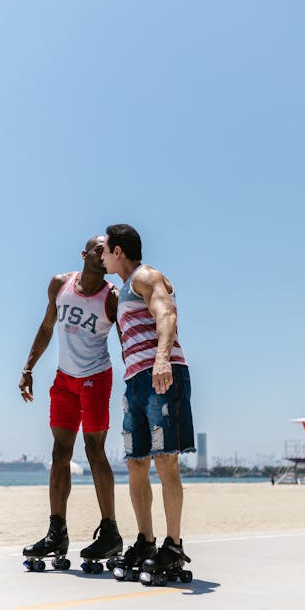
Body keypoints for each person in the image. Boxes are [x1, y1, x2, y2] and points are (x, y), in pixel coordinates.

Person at [19, 235, 123, 567]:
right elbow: (47, 327)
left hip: (96, 377)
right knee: (59, 452)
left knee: (95, 451)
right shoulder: (60, 284)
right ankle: (56, 531)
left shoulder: (113, 298)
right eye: (99, 250)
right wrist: (28, 367)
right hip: (64, 379)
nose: (104, 255)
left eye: (108, 252)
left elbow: (126, 338)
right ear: (84, 254)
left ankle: (110, 532)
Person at [101, 223, 195, 581]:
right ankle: (146, 540)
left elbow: (166, 312)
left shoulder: (146, 276)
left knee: (165, 462)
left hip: (162, 373)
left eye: (105, 250)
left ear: (119, 251)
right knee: (136, 463)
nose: (103, 257)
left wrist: (161, 358)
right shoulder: (123, 288)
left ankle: (173, 544)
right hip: (134, 382)